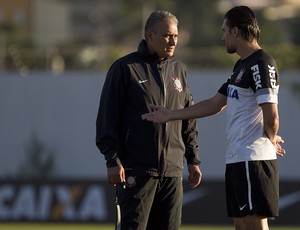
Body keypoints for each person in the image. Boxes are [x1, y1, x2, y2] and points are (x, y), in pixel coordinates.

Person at [142, 6, 286, 230]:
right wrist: (171, 114)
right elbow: (214, 104)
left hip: (253, 159)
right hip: (238, 158)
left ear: (236, 31)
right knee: (241, 224)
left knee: (255, 223)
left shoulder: (261, 63)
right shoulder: (241, 66)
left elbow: (272, 118)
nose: (222, 37)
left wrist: (272, 136)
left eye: (225, 30)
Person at [96, 10, 202, 230]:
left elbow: (188, 119)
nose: (172, 41)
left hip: (172, 172)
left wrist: (193, 160)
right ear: (149, 35)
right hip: (137, 171)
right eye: (166, 35)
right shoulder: (125, 68)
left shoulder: (179, 70)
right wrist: (112, 160)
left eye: (175, 35)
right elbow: (107, 119)